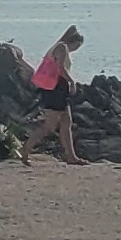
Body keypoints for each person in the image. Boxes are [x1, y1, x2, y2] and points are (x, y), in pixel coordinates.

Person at [23, 27, 88, 164]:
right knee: (50, 125)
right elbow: (61, 68)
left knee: (66, 122)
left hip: (58, 88)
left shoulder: (57, 47)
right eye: (78, 45)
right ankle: (26, 150)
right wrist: (72, 81)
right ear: (74, 42)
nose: (77, 49)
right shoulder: (62, 48)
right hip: (55, 88)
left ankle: (71, 156)